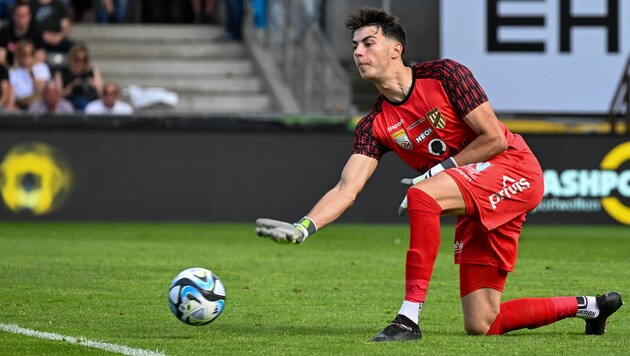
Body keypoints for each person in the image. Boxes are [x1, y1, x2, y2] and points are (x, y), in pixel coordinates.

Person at [255, 7, 623, 341]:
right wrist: (304, 226)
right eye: (355, 46)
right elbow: (346, 189)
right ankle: (589, 306)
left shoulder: (445, 75)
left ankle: (408, 320)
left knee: (422, 195)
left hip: (514, 169)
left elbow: (494, 138)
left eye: (369, 43)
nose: (358, 53)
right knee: (483, 323)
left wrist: (437, 171)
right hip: (471, 194)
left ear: (396, 49)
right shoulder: (374, 124)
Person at [54, 41, 101, 110]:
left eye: (83, 60)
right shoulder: (62, 73)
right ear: (71, 59)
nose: (80, 64)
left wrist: (92, 85)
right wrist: (71, 87)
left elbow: (101, 93)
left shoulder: (92, 72)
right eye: (77, 60)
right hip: (67, 105)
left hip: (89, 103)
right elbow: (56, 96)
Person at [0, 1, 46, 66]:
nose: (21, 19)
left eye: (24, 15)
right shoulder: (4, 32)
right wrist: (13, 71)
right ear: (13, 15)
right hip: (9, 70)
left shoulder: (36, 33)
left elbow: (40, 58)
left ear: (30, 16)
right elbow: (1, 59)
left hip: (30, 71)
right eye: (18, 15)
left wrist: (27, 69)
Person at [9, 38, 51, 109]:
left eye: (31, 53)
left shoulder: (42, 67)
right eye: (24, 54)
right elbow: (13, 94)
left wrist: (31, 72)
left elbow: (40, 91)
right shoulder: (13, 71)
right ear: (19, 55)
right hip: (21, 103)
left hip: (39, 103)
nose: (28, 57)